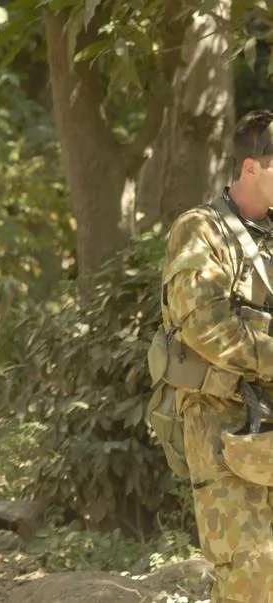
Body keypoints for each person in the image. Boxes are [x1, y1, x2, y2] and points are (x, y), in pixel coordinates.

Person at [152, 109, 273, 602]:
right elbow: (204, 326)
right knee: (249, 574)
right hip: (222, 425)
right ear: (250, 168)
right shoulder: (200, 231)